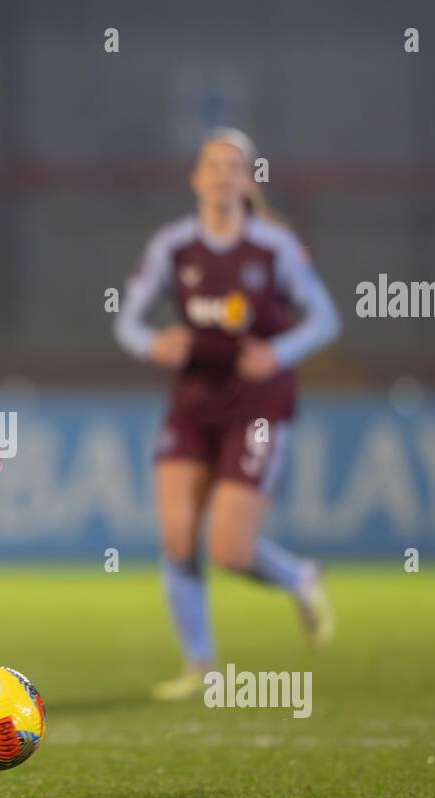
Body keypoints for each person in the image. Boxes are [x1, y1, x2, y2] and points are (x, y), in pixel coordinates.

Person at [114, 128, 340, 701]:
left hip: (257, 406)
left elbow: (325, 318)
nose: (221, 176)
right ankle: (202, 666)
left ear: (249, 179)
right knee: (177, 534)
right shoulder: (173, 246)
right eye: (211, 166)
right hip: (193, 402)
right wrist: (153, 345)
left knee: (230, 549)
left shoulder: (273, 247)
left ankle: (300, 577)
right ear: (195, 177)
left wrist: (279, 353)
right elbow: (129, 321)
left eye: (233, 167)